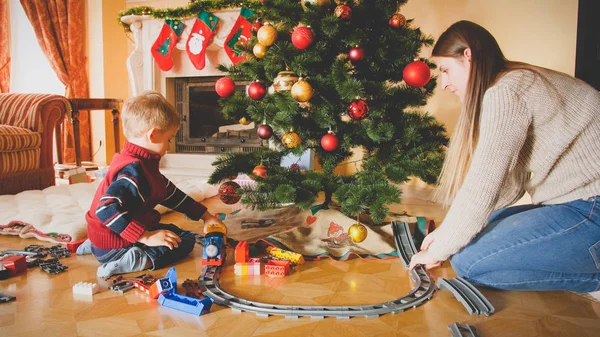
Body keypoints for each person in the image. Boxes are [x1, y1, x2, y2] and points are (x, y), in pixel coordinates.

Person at [408, 20, 600, 293]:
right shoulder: (518, 81)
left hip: (591, 208)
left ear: (468, 56)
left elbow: (483, 185)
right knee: (482, 225)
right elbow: (510, 183)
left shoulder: (507, 92)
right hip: (581, 203)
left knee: (470, 263)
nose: (443, 84)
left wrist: (441, 248)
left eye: (446, 70)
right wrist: (449, 231)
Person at [81, 91, 226, 278]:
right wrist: (145, 237)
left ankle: (96, 245)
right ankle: (131, 259)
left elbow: (172, 195)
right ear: (154, 134)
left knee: (173, 232)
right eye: (169, 139)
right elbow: (106, 208)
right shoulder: (133, 170)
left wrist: (206, 216)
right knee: (185, 241)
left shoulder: (144, 164)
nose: (169, 145)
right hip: (115, 244)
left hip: (108, 236)